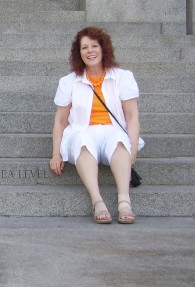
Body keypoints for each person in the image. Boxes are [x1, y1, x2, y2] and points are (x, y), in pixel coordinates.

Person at [49, 27, 143, 224]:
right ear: (79, 53)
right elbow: (60, 121)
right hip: (81, 131)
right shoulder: (69, 82)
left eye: (94, 46)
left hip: (112, 130)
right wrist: (56, 153)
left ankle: (124, 201)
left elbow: (132, 116)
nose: (90, 51)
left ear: (103, 48)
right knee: (82, 141)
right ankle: (97, 201)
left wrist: (132, 149)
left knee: (118, 139)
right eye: (84, 47)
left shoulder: (122, 77)